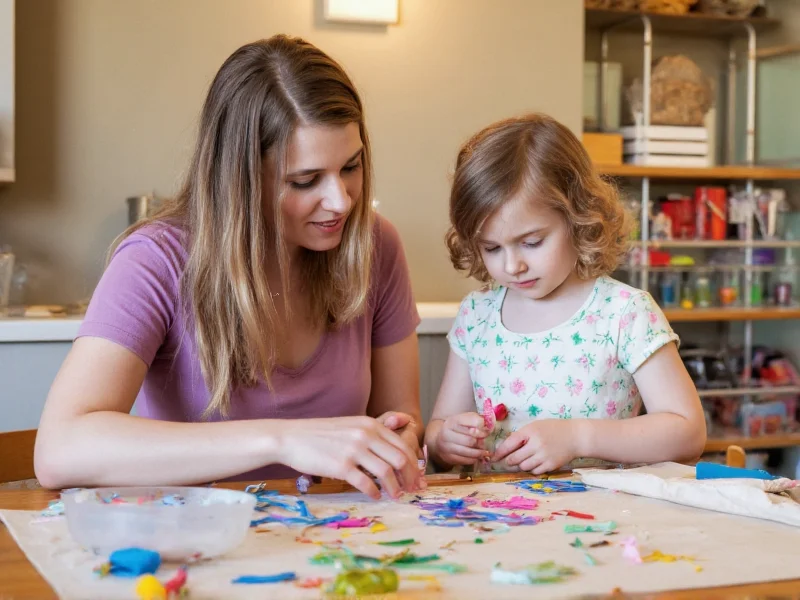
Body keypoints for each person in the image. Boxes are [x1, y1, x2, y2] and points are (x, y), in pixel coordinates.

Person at [34, 35, 425, 500]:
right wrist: (283, 438)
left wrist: (400, 440)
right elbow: (60, 449)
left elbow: (401, 417)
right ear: (240, 180)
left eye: (351, 167)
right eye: (305, 180)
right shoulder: (157, 259)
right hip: (200, 544)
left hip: (339, 538)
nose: (341, 201)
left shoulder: (376, 245)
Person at [425, 114, 706, 474]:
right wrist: (446, 440)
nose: (512, 266)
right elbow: (438, 433)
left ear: (579, 216)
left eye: (531, 242)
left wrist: (578, 438)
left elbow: (688, 433)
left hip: (600, 523)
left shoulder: (624, 313)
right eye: (491, 248)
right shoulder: (476, 316)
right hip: (497, 524)